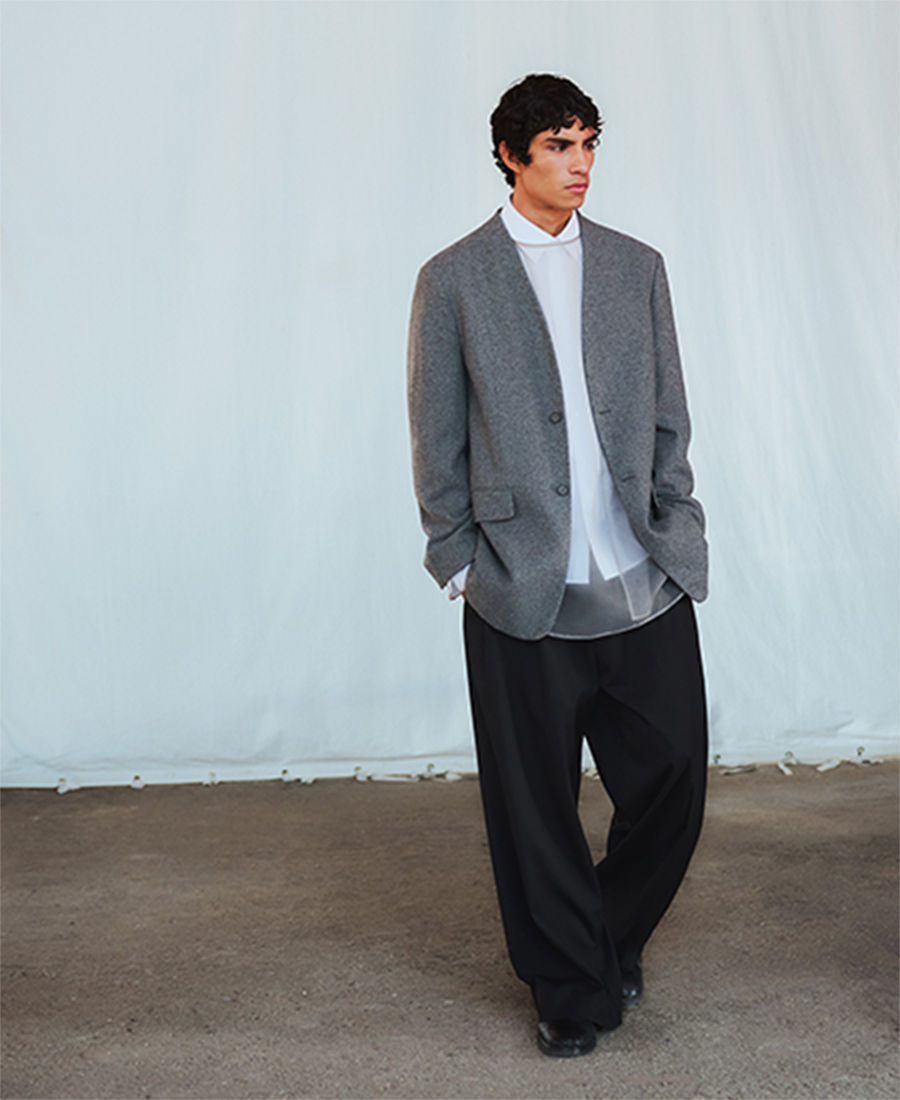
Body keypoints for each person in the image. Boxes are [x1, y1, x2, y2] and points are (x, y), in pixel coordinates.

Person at [407, 73, 709, 1058]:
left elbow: (667, 414)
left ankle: (599, 939)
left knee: (673, 774)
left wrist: (677, 517)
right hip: (518, 584)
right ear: (511, 155)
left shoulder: (636, 266)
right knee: (533, 806)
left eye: (588, 144)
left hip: (640, 574)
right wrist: (459, 561)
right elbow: (436, 437)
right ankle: (572, 991)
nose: (579, 164)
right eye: (557, 146)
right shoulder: (454, 279)